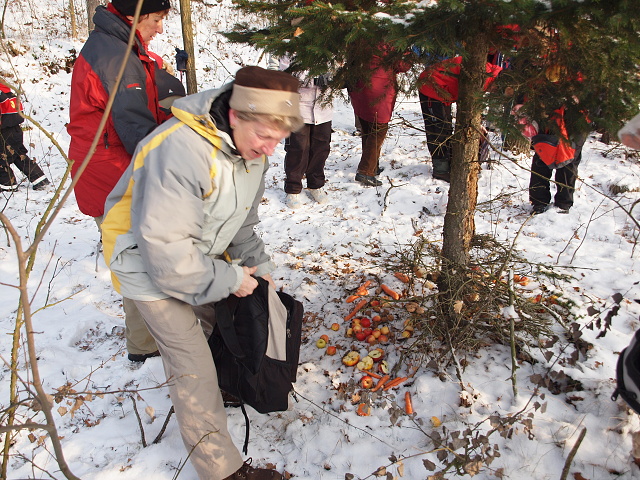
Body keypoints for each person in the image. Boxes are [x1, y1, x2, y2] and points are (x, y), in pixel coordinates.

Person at [101, 66, 303, 480]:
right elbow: (168, 256)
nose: (269, 150)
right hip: (146, 262)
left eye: (278, 142)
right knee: (191, 366)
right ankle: (222, 470)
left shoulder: (249, 152)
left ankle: (225, 386)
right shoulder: (179, 150)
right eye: (264, 136)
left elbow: (242, 226)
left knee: (225, 324)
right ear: (235, 116)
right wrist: (230, 279)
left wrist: (260, 272)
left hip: (198, 255)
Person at [67, 0, 171, 362]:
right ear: (134, 16)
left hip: (113, 169)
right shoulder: (115, 56)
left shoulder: (120, 46)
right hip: (112, 175)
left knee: (138, 254)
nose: (160, 28)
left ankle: (148, 339)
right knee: (136, 259)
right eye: (156, 19)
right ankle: (145, 346)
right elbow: (136, 130)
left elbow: (145, 101)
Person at [418, 55, 502, 182]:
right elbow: (468, 102)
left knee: (446, 128)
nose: (493, 92)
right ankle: (440, 169)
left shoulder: (491, 73)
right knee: (437, 129)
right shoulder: (483, 77)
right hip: (431, 85)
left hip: (443, 90)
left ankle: (449, 162)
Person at [269, 54, 333, 208]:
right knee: (297, 148)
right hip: (298, 108)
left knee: (321, 148)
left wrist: (332, 76)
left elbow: (339, 68)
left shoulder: (328, 44)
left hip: (323, 107)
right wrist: (311, 79)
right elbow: (279, 74)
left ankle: (316, 184)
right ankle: (293, 188)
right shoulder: (287, 46)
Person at [348, 45, 411, 187]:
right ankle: (366, 171)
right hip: (379, 87)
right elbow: (402, 65)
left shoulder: (363, 32)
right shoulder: (392, 37)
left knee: (367, 126)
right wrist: (409, 52)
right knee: (378, 129)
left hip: (359, 85)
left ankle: (372, 165)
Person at [0, 81, 50, 191]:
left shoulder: (2, 96)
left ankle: (7, 185)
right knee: (19, 154)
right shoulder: (10, 94)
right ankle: (39, 179)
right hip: (16, 130)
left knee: (2, 158)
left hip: (4, 132)